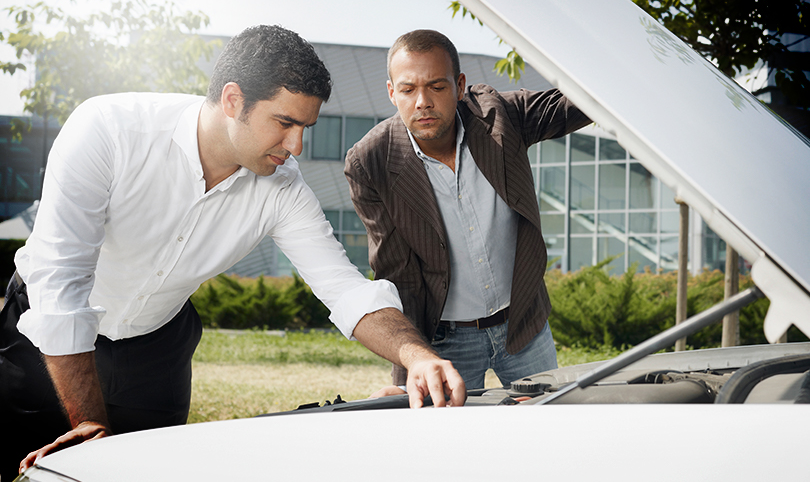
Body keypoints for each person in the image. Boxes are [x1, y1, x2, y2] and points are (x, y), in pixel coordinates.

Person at [1, 25, 465, 480]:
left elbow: (343, 289)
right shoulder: (107, 129)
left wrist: (416, 355)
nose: (296, 145)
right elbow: (62, 286)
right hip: (43, 339)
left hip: (157, 349)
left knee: (146, 475)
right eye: (284, 123)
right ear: (232, 100)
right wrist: (87, 419)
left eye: (305, 127)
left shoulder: (283, 187)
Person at [344, 29, 590, 392]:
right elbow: (397, 274)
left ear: (459, 86)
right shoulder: (370, 162)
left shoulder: (498, 114)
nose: (423, 101)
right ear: (392, 93)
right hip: (445, 342)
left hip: (523, 324)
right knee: (448, 446)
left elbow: (577, 104)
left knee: (542, 433)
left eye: (437, 87)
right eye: (408, 89)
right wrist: (410, 365)